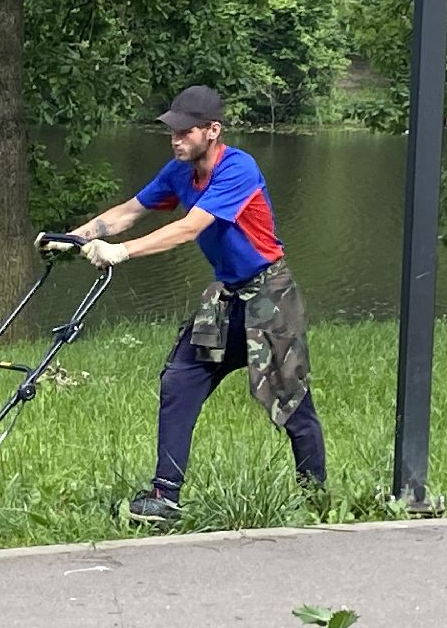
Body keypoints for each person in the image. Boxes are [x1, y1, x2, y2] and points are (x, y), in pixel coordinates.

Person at [36, 84, 327, 523]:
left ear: (213, 130)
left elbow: (190, 228)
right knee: (180, 377)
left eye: (185, 132)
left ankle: (318, 502)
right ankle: (164, 496)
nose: (176, 140)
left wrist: (123, 252)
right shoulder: (179, 171)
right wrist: (76, 237)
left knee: (290, 402)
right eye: (172, 132)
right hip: (226, 297)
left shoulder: (238, 169)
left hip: (269, 297)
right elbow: (129, 211)